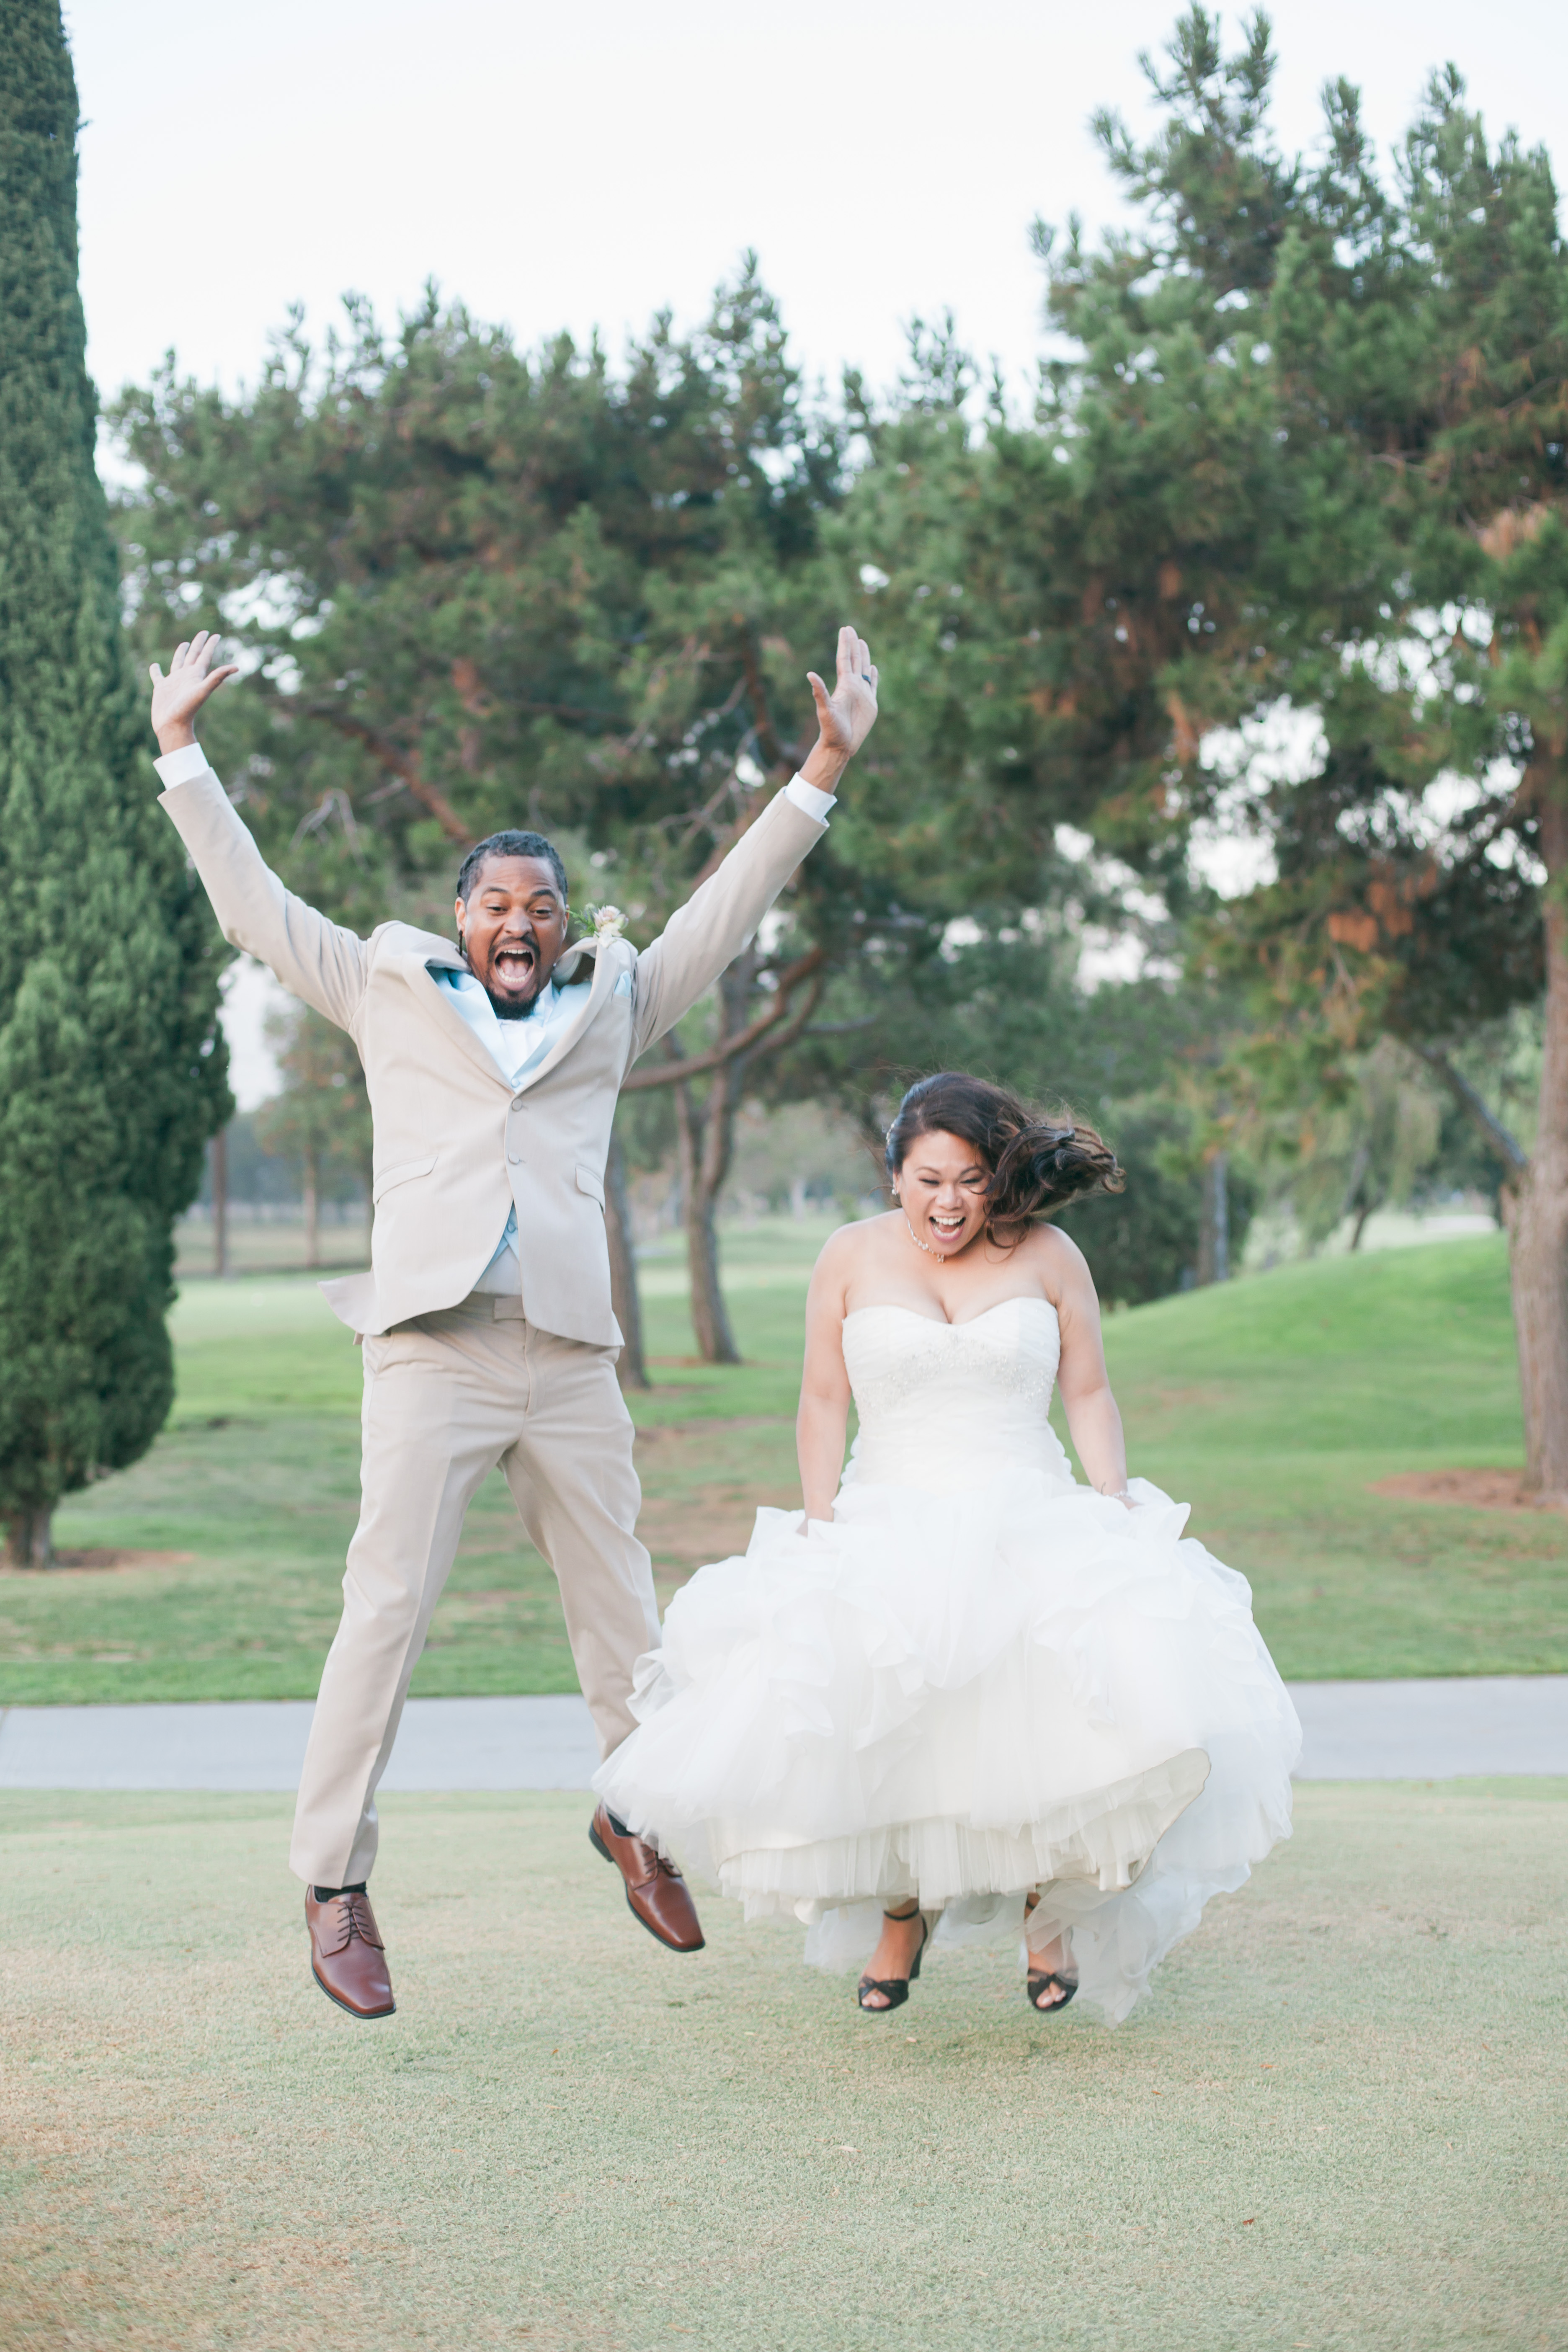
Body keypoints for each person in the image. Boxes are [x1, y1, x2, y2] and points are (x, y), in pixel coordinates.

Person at [146, 624, 879, 2018]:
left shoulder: (614, 1001)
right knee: (386, 1609)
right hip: (430, 1347)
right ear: (462, 914)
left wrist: (821, 767)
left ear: (560, 920)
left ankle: (635, 1816)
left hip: (566, 1359)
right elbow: (251, 903)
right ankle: (332, 1879)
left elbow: (723, 911)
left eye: (541, 904)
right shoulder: (381, 986)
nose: (521, 923)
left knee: (626, 1622)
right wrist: (182, 749)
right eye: (497, 903)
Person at [594, 1072, 1301, 2022]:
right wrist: (818, 1516)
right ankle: (902, 1913)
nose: (950, 1202)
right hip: (889, 1504)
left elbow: (1088, 1392)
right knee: (887, 1718)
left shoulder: (1049, 1255)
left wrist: (1111, 1500)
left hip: (1027, 1502)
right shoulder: (846, 1258)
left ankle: (1048, 1912)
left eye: (970, 1180)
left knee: (1066, 1715)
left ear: (996, 1180)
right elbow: (821, 1400)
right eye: (929, 1180)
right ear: (894, 1176)